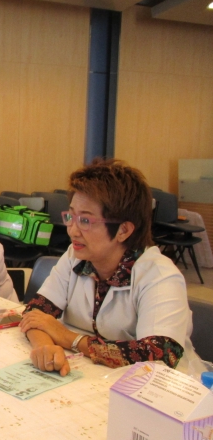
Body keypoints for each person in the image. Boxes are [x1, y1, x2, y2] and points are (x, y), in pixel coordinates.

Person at [18, 159, 195, 377]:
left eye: (85, 221)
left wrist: (68, 338)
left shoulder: (159, 276)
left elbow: (157, 355)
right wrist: (45, 347)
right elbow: (36, 312)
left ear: (123, 230)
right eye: (71, 216)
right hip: (96, 373)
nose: (72, 230)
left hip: (159, 387)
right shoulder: (76, 256)